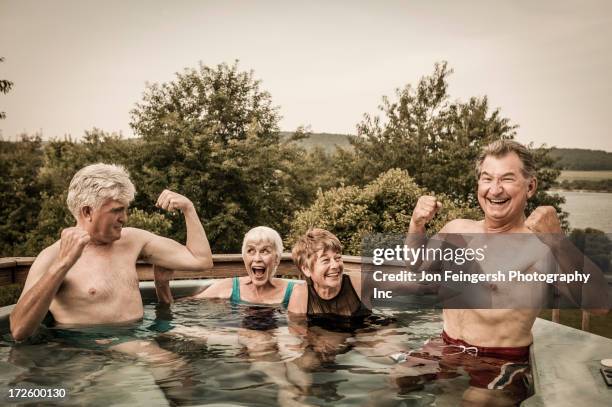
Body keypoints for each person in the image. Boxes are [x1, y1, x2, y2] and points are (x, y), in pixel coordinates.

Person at [398, 139, 609, 403]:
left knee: (475, 401)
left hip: (500, 361)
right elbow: (416, 265)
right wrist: (416, 223)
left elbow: (600, 305)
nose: (495, 190)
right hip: (446, 345)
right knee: (394, 383)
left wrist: (558, 239)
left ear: (530, 186)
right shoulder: (456, 230)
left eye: (507, 179)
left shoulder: (541, 247)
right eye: (487, 178)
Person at [10, 163, 213, 341]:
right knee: (170, 365)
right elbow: (19, 330)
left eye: (125, 209)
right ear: (87, 211)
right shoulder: (52, 257)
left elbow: (200, 261)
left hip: (141, 336)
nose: (124, 218)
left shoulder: (133, 240)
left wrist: (189, 209)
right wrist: (62, 265)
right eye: (116, 210)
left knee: (228, 342)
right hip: (91, 352)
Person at [156, 226, 296, 307]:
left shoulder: (293, 293)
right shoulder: (227, 288)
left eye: (265, 251)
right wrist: (161, 284)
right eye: (251, 251)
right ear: (244, 257)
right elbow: (179, 308)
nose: (257, 258)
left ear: (277, 259)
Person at [287, 228, 370, 321]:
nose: (335, 265)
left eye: (338, 258)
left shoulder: (358, 282)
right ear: (306, 269)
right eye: (325, 260)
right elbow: (297, 332)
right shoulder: (301, 295)